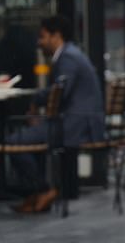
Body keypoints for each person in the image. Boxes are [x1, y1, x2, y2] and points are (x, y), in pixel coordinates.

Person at [9, 14, 105, 213]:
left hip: (74, 124)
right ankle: (36, 192)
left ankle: (43, 190)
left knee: (14, 141)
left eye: (43, 36)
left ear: (56, 36)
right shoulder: (70, 54)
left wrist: (35, 100)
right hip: (73, 121)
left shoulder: (68, 57)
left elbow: (60, 90)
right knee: (28, 138)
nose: (39, 42)